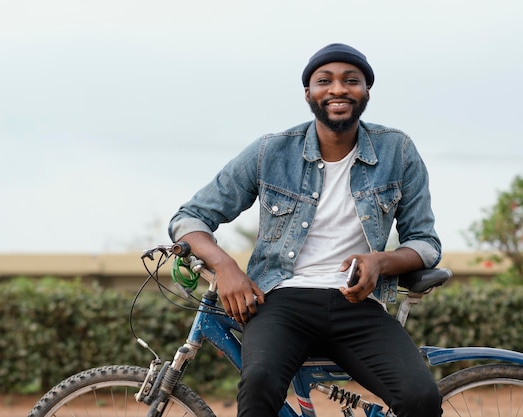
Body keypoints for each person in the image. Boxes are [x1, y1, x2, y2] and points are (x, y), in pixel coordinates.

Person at [169, 43, 442, 417]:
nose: (338, 90)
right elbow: (190, 218)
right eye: (324, 81)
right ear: (308, 93)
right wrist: (224, 266)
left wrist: (381, 262)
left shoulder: (399, 151)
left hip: (357, 304)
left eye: (351, 81)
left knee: (420, 398)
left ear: (366, 92)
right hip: (281, 300)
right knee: (259, 384)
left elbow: (424, 243)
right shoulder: (271, 151)